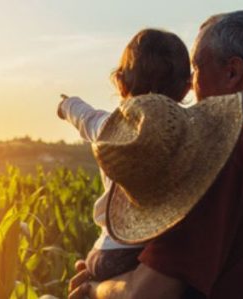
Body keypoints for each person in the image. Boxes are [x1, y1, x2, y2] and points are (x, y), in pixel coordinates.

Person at [69, 10, 243, 298]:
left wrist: (93, 289)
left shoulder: (227, 156)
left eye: (195, 69)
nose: (191, 87)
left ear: (232, 72)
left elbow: (146, 292)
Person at [56, 28, 193, 281]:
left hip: (109, 250)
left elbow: (85, 116)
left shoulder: (108, 127)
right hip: (154, 252)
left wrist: (66, 105)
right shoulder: (191, 138)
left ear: (120, 83)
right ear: (187, 87)